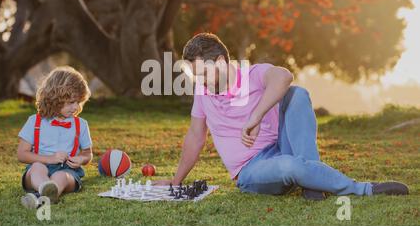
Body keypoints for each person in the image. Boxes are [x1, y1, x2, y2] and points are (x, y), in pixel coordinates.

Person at [154, 33, 409, 200]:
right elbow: (195, 137)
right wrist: (176, 181)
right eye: (196, 75)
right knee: (290, 165)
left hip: (280, 148)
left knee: (297, 94)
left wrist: (255, 116)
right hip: (252, 171)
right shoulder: (203, 91)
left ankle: (312, 186)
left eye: (203, 73)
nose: (200, 81)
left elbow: (284, 77)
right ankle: (363, 189)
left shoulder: (253, 74)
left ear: (220, 62)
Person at [17, 66, 93, 208]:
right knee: (38, 168)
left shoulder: (80, 124)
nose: (76, 107)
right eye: (71, 102)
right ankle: (45, 190)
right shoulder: (35, 122)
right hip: (37, 171)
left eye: (79, 102)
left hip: (67, 171)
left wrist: (81, 159)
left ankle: (41, 197)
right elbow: (21, 154)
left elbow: (88, 154)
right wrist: (49, 159)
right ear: (54, 98)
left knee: (62, 177)